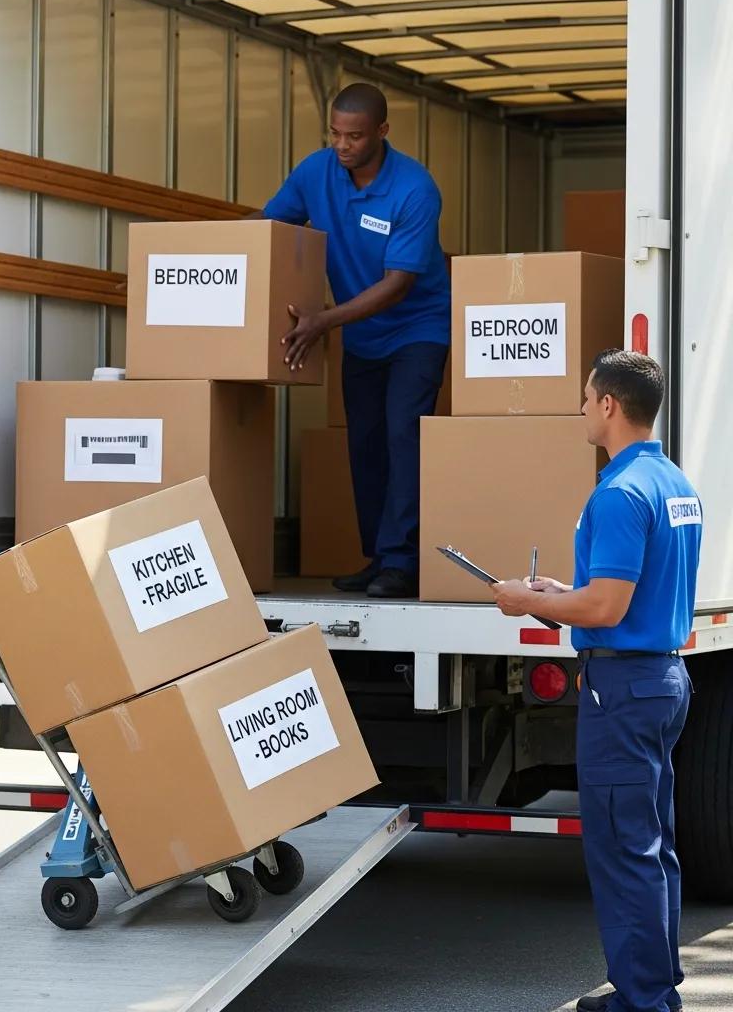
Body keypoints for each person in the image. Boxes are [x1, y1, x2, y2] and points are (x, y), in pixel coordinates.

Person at [492, 349, 700, 1012]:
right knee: (654, 848)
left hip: (625, 688)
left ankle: (644, 1002)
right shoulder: (674, 483)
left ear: (610, 405)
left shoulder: (617, 492)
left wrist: (530, 602)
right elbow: (624, 594)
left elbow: (606, 608)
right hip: (661, 677)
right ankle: (655, 987)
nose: (582, 409)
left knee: (624, 851)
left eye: (587, 398)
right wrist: (566, 591)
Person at [258, 82, 450, 598]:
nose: (343, 146)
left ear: (383, 132)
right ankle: (379, 556)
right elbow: (267, 231)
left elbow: (399, 282)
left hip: (418, 327)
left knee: (401, 433)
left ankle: (402, 561)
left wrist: (322, 320)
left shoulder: (414, 189)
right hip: (360, 332)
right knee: (364, 444)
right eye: (336, 134)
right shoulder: (315, 172)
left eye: (356, 136)